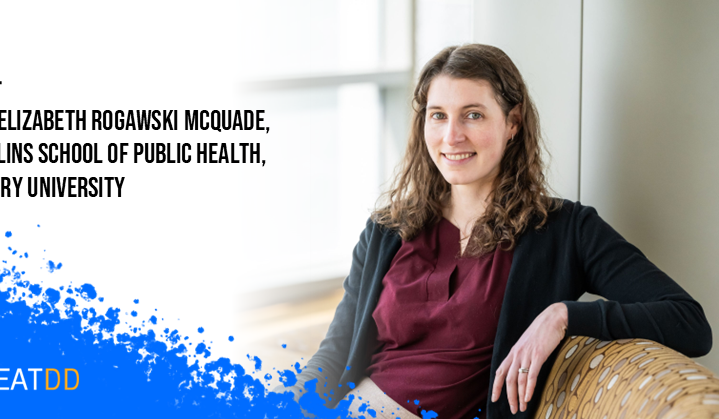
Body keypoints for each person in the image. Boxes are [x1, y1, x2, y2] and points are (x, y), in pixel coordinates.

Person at [275, 44, 712, 419]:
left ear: (513, 123)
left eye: (473, 115)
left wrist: (563, 315)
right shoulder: (386, 230)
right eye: (438, 115)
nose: (451, 136)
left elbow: (690, 323)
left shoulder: (564, 230)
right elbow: (334, 353)